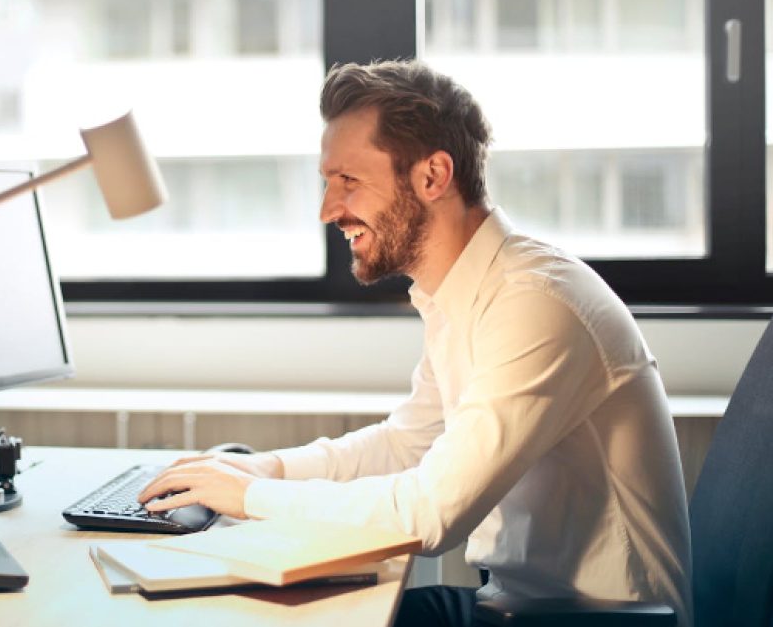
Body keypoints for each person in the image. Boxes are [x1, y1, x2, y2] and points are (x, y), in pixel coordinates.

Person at [138, 60, 693, 627]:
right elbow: (407, 445)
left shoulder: (536, 305)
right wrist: (263, 471)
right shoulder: (463, 293)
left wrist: (249, 498)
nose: (328, 210)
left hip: (588, 621)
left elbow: (431, 514)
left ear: (433, 176)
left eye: (348, 181)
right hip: (513, 607)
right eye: (327, 183)